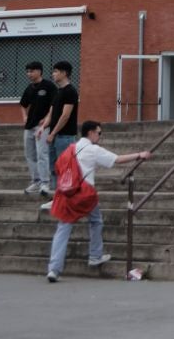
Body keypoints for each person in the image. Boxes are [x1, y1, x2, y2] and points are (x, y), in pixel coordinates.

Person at [45, 120, 152, 282]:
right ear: (91, 133)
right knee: (96, 220)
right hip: (85, 194)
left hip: (67, 193)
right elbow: (117, 159)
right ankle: (95, 255)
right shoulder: (93, 150)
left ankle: (54, 269)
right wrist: (139, 155)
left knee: (63, 229)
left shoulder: (70, 149)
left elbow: (58, 168)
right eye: (99, 133)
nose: (100, 136)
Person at [21, 62, 57, 195]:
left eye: (31, 71)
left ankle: (45, 183)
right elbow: (23, 104)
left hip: (43, 127)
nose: (29, 74)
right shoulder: (29, 88)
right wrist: (25, 116)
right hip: (29, 126)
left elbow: (54, 105)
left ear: (39, 71)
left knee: (42, 153)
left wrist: (47, 119)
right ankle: (35, 181)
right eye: (28, 71)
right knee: (30, 155)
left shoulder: (49, 86)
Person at [48, 61, 80, 165]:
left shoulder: (70, 91)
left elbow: (65, 116)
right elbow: (51, 111)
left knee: (65, 169)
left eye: (56, 71)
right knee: (53, 170)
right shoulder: (58, 91)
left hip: (65, 137)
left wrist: (53, 133)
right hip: (54, 135)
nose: (53, 74)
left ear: (64, 73)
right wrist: (43, 127)